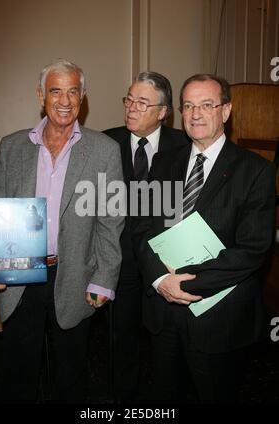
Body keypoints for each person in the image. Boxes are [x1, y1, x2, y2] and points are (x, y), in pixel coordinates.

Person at [133, 74, 276, 403]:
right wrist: (159, 280)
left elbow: (253, 249)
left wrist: (184, 284)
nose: (196, 114)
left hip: (220, 319)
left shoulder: (256, 171)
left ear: (226, 111)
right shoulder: (162, 163)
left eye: (207, 105)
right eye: (188, 106)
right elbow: (141, 227)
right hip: (162, 313)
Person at [0, 59, 124, 403]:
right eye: (56, 91)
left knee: (71, 374)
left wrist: (104, 278)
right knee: (17, 372)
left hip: (75, 275)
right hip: (20, 277)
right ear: (40, 96)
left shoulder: (105, 151)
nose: (65, 100)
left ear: (83, 97)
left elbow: (111, 221)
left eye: (73, 91)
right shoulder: (11, 146)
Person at [104, 71, 189, 402]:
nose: (131, 108)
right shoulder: (106, 142)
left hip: (168, 262)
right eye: (129, 99)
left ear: (164, 111)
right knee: (121, 338)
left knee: (167, 341)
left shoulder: (184, 144)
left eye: (142, 102)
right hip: (120, 261)